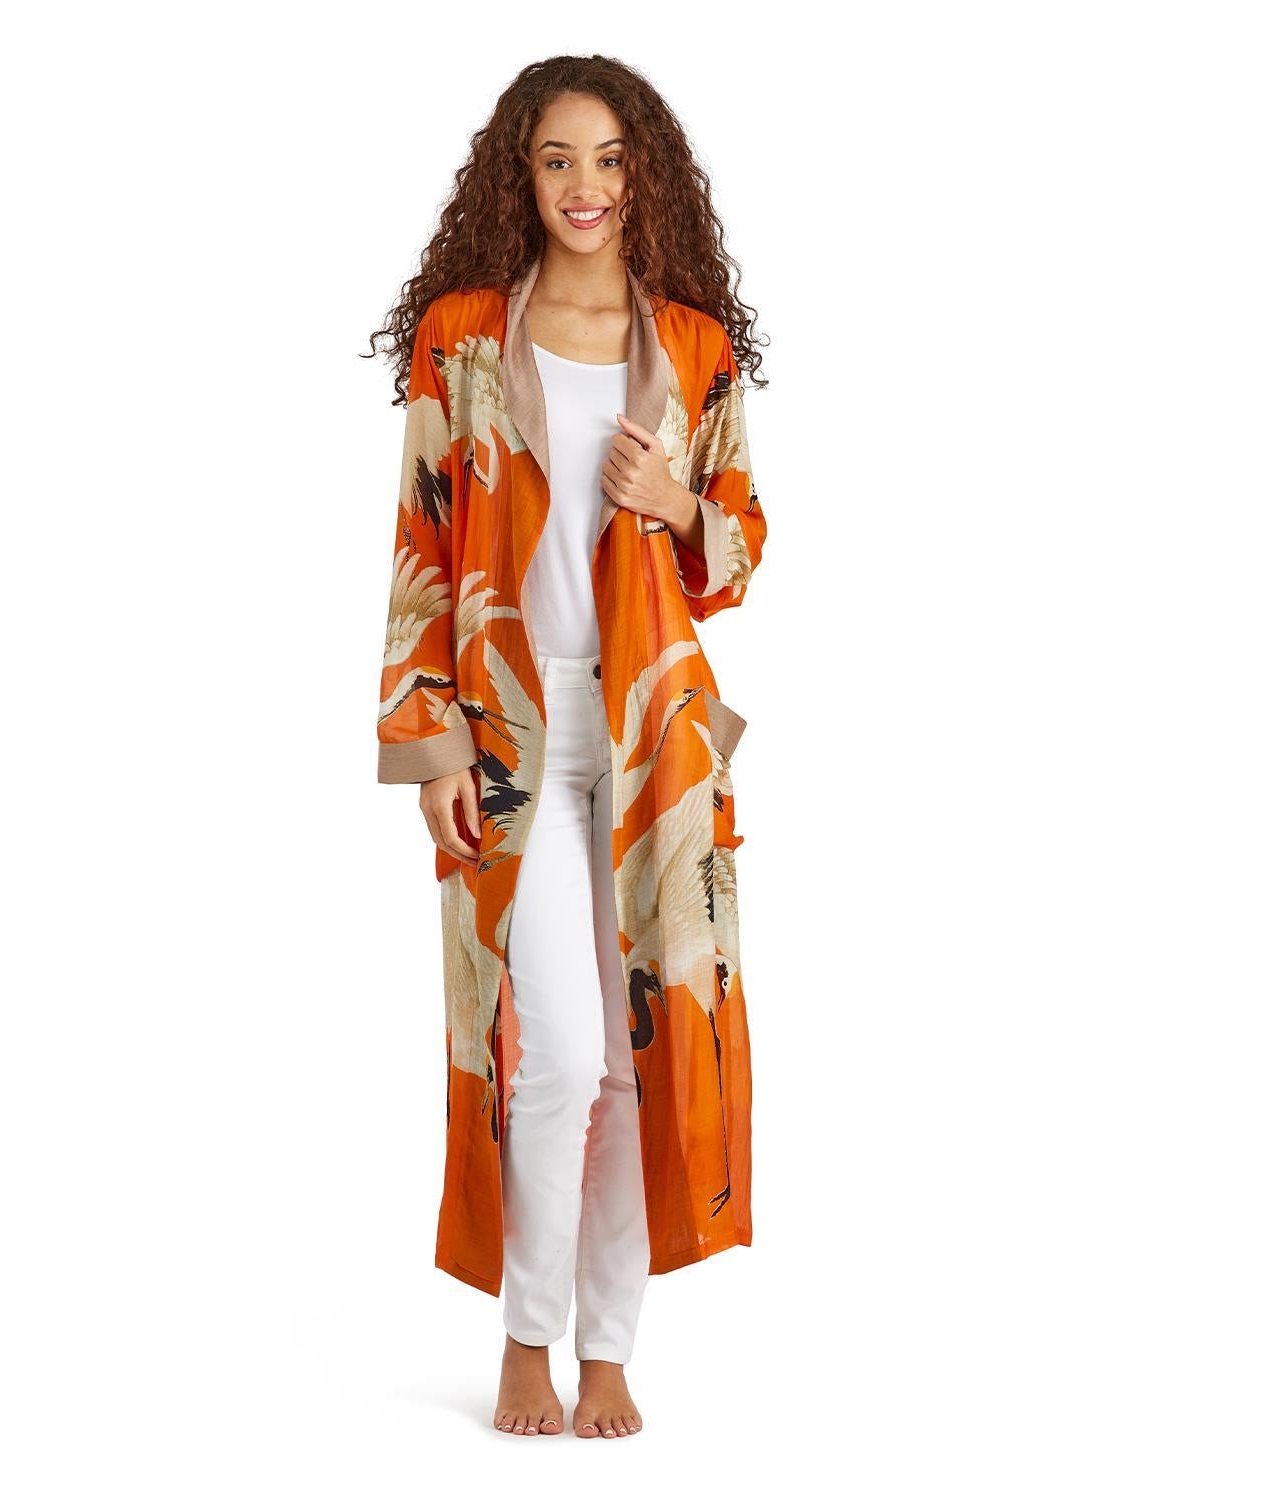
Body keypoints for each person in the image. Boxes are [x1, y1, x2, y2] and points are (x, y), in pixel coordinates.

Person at [368, 54, 768, 1440]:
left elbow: (739, 550)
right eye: (556, 160)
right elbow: (422, 546)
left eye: (608, 159)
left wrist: (679, 503)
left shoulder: (692, 346)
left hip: (656, 740)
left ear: (643, 173)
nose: (584, 186)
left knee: (633, 1061)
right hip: (509, 729)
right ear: (520, 177)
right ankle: (524, 1340)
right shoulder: (463, 339)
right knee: (549, 1055)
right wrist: (430, 753)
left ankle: (609, 1352)